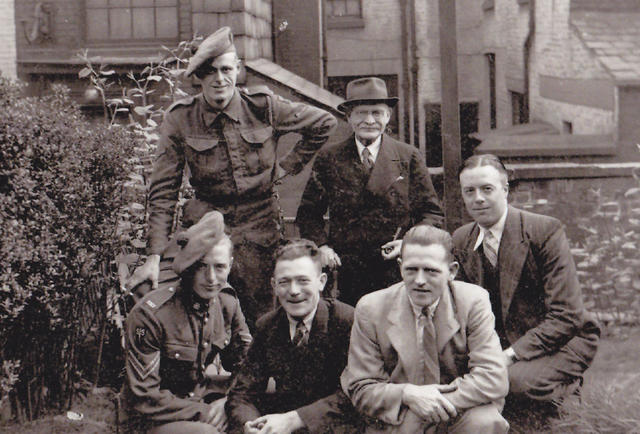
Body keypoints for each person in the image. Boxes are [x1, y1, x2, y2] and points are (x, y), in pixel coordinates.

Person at [126, 26, 337, 328]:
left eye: (226, 69)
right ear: (199, 77)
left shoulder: (263, 107)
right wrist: (154, 256)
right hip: (209, 227)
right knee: (198, 315)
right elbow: (164, 191)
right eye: (209, 72)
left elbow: (324, 123)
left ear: (238, 70)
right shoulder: (181, 118)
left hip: (259, 227)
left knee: (262, 317)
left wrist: (287, 166)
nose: (219, 79)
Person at [452, 154, 600, 406]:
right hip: (499, 343)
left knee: (513, 384)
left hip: (562, 340)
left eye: (487, 189)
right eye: (469, 191)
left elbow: (567, 315)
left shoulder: (543, 231)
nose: (478, 198)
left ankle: (567, 390)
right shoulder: (461, 239)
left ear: (505, 190)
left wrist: (509, 356)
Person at [341, 224, 509, 433]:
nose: (420, 281)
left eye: (431, 270)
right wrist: (408, 395)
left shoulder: (473, 301)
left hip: (460, 408)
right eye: (411, 269)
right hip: (401, 413)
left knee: (484, 422)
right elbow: (361, 388)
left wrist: (433, 404)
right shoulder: (371, 308)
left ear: (452, 271)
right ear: (400, 266)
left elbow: (492, 378)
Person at [296, 77, 443, 306]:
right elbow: (308, 213)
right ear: (348, 117)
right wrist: (322, 246)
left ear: (388, 116)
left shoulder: (408, 156)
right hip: (347, 271)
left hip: (396, 267)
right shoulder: (329, 158)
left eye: (376, 113)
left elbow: (431, 213)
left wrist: (408, 243)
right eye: (361, 113)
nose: (369, 120)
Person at [124, 211, 252, 433]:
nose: (211, 278)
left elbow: (248, 366)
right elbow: (145, 397)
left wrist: (228, 402)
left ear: (230, 265)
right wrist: (204, 412)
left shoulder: (226, 303)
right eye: (202, 266)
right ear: (189, 266)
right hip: (156, 419)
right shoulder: (152, 314)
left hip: (202, 403)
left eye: (219, 267)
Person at [226, 239, 361, 434]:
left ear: (321, 282)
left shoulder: (346, 321)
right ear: (273, 285)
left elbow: (354, 394)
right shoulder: (268, 325)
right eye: (284, 282)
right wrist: (249, 424)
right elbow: (243, 392)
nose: (294, 291)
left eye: (303, 281)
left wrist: (296, 419)